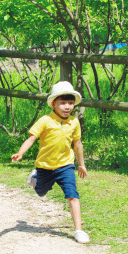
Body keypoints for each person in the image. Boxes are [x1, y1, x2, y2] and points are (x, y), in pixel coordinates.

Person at [11, 81, 90, 244]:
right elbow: (31, 138)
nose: (67, 107)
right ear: (54, 104)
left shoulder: (74, 122)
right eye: (63, 103)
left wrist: (81, 164)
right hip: (45, 167)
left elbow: (78, 144)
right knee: (41, 193)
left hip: (66, 166)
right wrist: (20, 152)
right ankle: (35, 179)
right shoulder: (45, 120)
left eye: (70, 103)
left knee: (72, 196)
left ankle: (78, 230)